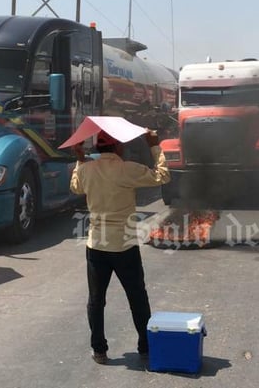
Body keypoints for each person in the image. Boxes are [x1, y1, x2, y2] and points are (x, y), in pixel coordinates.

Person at [69, 130, 171, 365]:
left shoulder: (86, 169)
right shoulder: (127, 169)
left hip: (96, 245)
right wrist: (154, 146)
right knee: (137, 296)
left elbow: (76, 187)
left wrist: (80, 159)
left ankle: (99, 350)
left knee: (96, 300)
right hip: (124, 245)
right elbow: (162, 175)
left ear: (98, 147)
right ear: (118, 148)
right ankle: (145, 346)